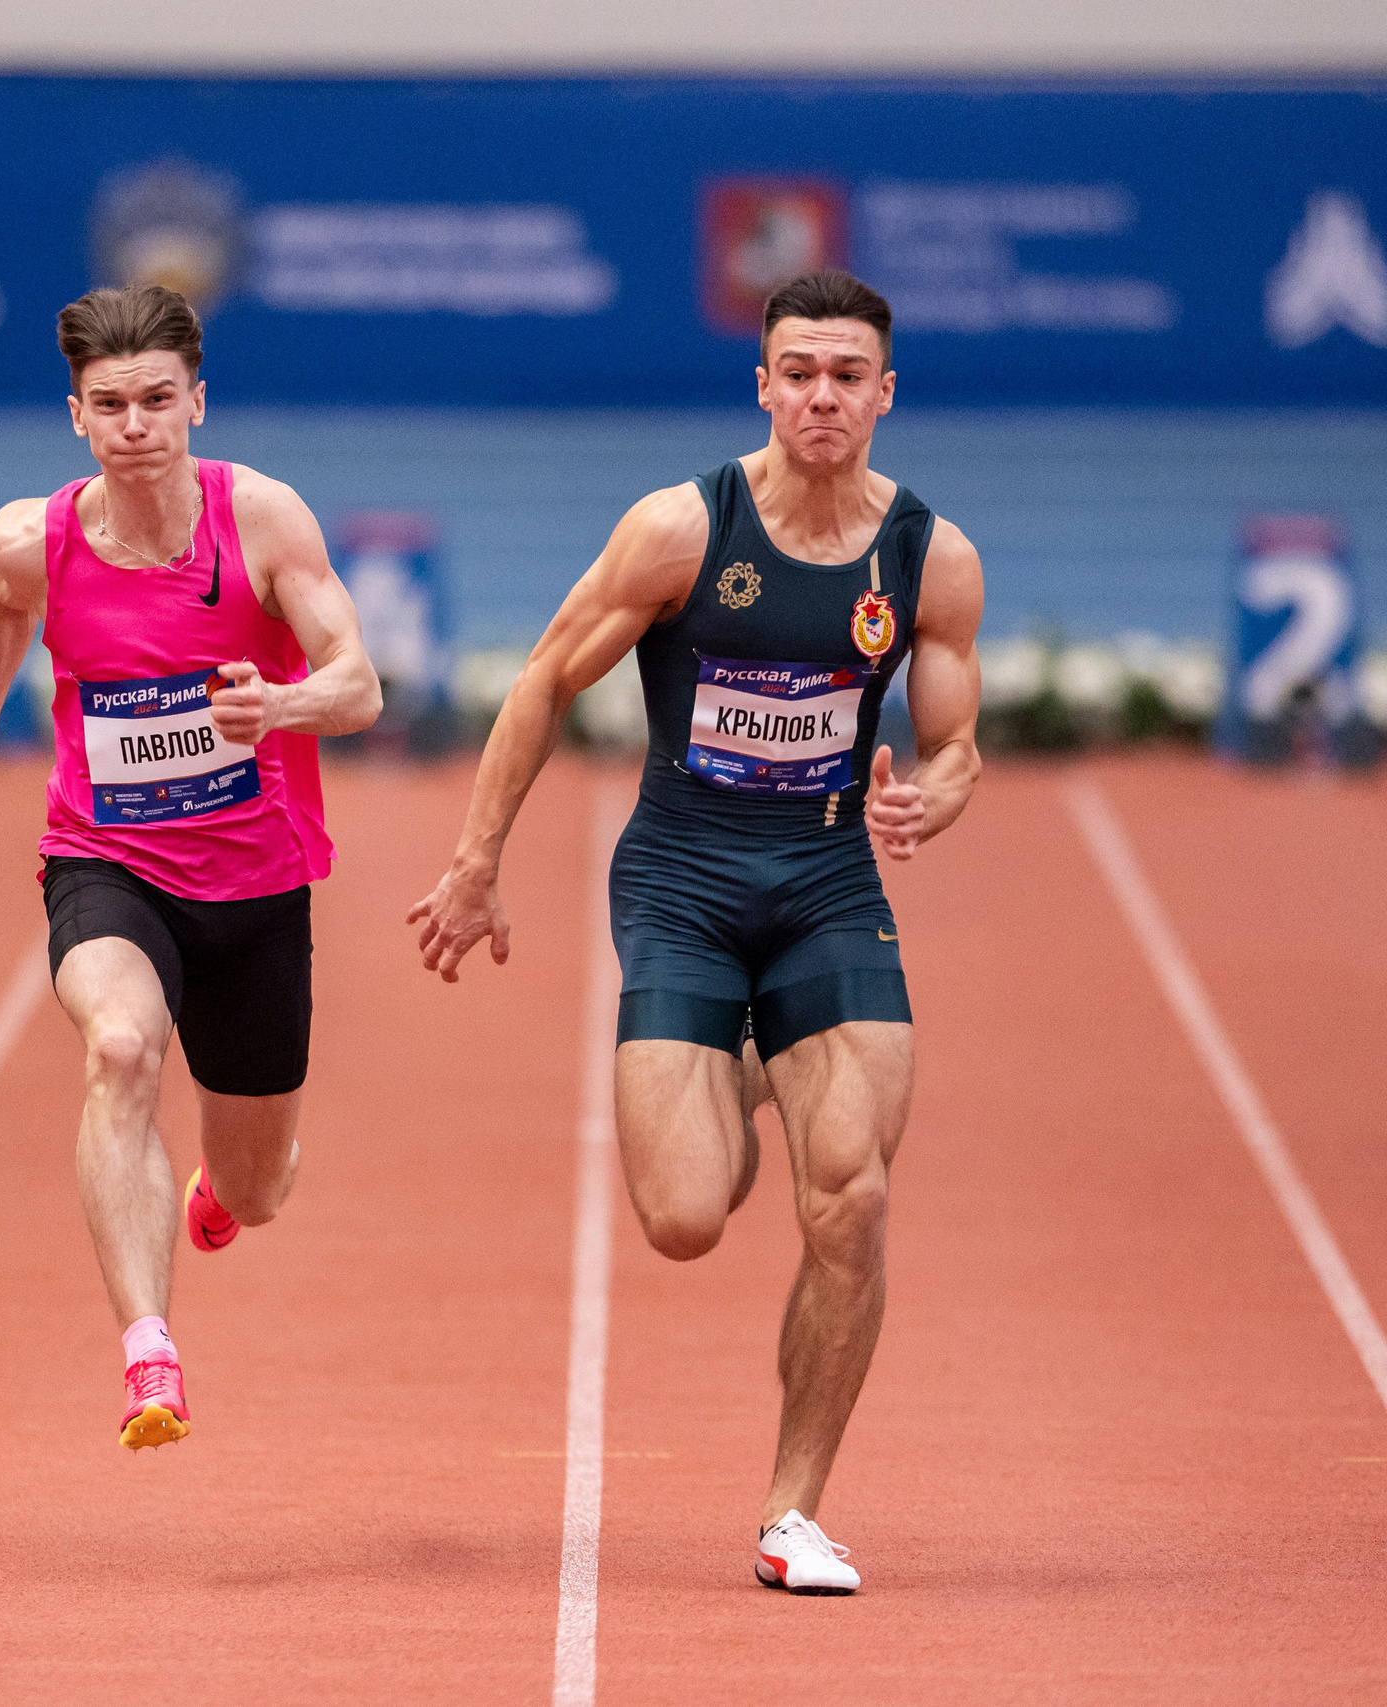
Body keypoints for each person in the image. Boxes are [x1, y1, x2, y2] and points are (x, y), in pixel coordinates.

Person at [407, 271, 984, 1591]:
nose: (823, 396)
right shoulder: (683, 528)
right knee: (681, 1215)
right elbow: (550, 671)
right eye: (799, 371)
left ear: (886, 392)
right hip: (682, 883)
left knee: (856, 1193)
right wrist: (476, 861)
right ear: (764, 385)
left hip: (832, 884)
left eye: (849, 374)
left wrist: (933, 800)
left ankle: (793, 1508)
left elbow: (953, 745)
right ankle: (745, 1063)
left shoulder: (931, 559)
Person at [0, 285, 380, 1450]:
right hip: (106, 859)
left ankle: (215, 1195)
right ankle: (149, 1358)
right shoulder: (33, 540)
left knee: (258, 1190)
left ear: (196, 402)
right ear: (76, 417)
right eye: (109, 404)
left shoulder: (265, 521)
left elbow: (361, 683)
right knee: (120, 1047)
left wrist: (279, 703)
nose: (135, 424)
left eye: (156, 400)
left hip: (255, 882)